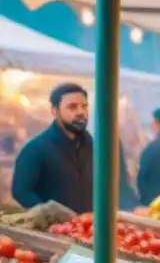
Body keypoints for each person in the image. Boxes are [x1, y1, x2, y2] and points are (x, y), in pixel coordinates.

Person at [13, 82, 137, 212]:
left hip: (91, 227)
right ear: (55, 111)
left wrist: (134, 207)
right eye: (72, 107)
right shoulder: (35, 149)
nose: (80, 112)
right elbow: (21, 191)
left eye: (84, 106)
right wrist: (49, 214)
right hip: (52, 229)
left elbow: (117, 186)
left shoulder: (95, 148)